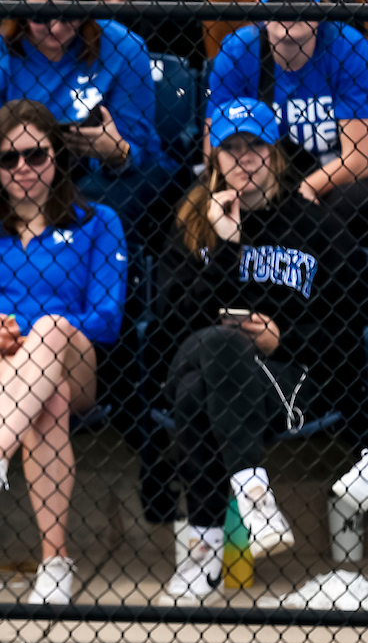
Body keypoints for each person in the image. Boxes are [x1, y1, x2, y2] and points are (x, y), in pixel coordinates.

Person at [147, 98, 362, 602]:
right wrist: (225, 249)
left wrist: (281, 338)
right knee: (217, 345)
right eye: (231, 149)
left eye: (255, 147)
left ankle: (203, 556)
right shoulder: (193, 224)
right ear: (215, 159)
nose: (244, 159)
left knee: (201, 390)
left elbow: (351, 322)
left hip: (287, 380)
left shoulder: (315, 227)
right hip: (197, 359)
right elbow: (168, 322)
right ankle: (252, 492)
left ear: (277, 155)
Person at [0, 99, 127, 605]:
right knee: (46, 402)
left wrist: (35, 335)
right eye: (7, 160)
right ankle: (55, 563)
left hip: (71, 353)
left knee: (53, 330)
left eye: (35, 155)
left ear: (56, 156)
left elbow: (106, 316)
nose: (23, 170)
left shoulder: (97, 222)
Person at [0, 0, 165, 230]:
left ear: (86, 7)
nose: (55, 27)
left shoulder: (124, 48)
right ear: (20, 8)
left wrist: (116, 153)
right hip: (19, 171)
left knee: (103, 207)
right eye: (41, 16)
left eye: (69, 15)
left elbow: (135, 145)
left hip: (104, 175)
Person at [206, 0, 368, 243]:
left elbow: (359, 157)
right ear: (259, 7)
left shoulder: (348, 47)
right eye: (277, 2)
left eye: (301, 2)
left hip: (333, 175)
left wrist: (307, 189)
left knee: (352, 200)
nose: (289, 12)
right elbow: (214, 150)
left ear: (321, 6)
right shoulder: (237, 52)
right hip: (264, 176)